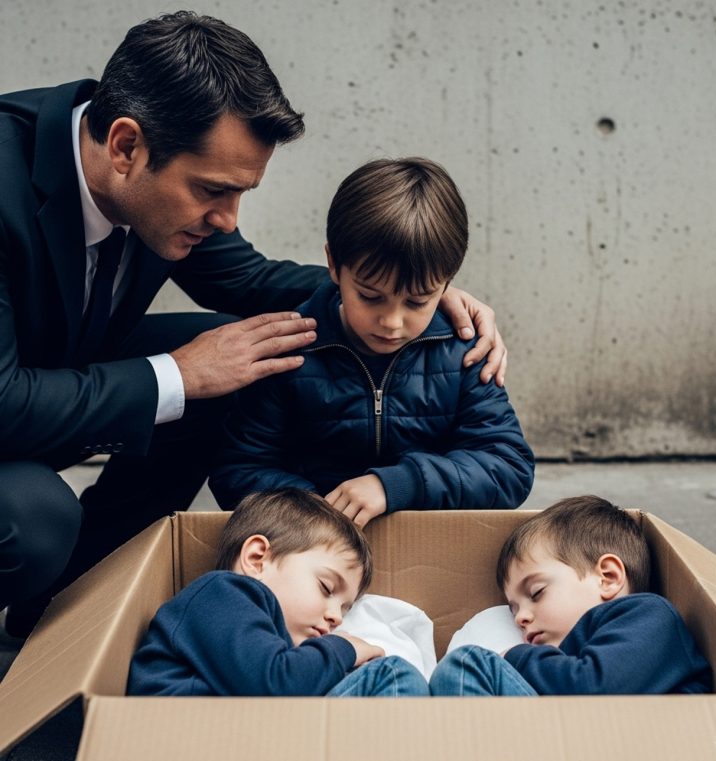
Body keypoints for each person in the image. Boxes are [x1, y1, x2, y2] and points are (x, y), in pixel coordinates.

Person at [0, 11, 507, 636]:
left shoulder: (152, 182)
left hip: (44, 374)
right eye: (214, 191)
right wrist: (179, 375)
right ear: (127, 146)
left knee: (243, 355)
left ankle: (70, 605)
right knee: (33, 519)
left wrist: (413, 293)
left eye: (242, 193)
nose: (229, 219)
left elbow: (253, 281)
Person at [209, 158, 535, 527]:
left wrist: (400, 484)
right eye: (369, 296)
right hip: (309, 540)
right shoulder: (288, 351)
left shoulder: (464, 352)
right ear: (334, 265)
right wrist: (313, 510)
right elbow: (239, 468)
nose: (391, 322)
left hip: (426, 540)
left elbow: (508, 467)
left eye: (416, 301)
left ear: (447, 282)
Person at [127, 488, 429, 697]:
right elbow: (273, 683)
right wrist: (344, 648)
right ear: (257, 559)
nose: (336, 618)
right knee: (392, 674)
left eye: (345, 608)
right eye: (326, 587)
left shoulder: (269, 646)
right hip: (186, 737)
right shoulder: (221, 594)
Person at [429, 495, 712, 695]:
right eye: (513, 609)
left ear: (608, 578)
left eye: (536, 593)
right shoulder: (565, 655)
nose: (520, 618)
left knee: (467, 665)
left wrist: (515, 657)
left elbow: (594, 687)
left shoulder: (650, 616)